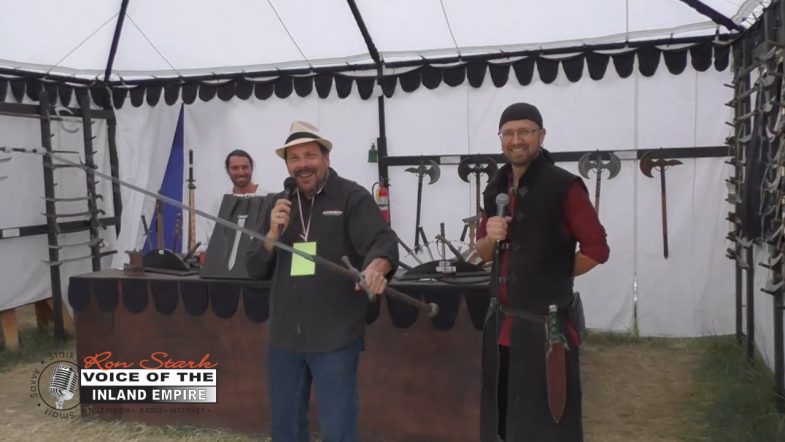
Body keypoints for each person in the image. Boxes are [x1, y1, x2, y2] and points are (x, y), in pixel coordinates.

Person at [245, 121, 399, 442]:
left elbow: (382, 241)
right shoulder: (277, 203)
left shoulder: (351, 197)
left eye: (309, 155)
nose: (302, 164)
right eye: (294, 158)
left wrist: (376, 268)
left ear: (326, 157)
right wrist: (272, 233)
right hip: (285, 336)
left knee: (337, 427)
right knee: (285, 427)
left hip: (335, 337)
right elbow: (255, 267)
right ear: (287, 165)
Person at [475, 103, 610, 442]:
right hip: (500, 327)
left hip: (544, 329)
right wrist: (490, 237)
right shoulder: (496, 189)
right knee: (502, 420)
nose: (516, 140)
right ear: (501, 139)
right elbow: (481, 251)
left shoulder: (564, 186)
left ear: (541, 135)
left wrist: (554, 276)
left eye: (525, 132)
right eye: (508, 133)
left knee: (547, 426)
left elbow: (597, 250)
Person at [198, 149, 265, 249]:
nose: (240, 172)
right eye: (235, 168)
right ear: (228, 170)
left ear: (252, 168)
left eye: (245, 167)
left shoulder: (267, 199)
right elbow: (213, 239)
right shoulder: (220, 203)